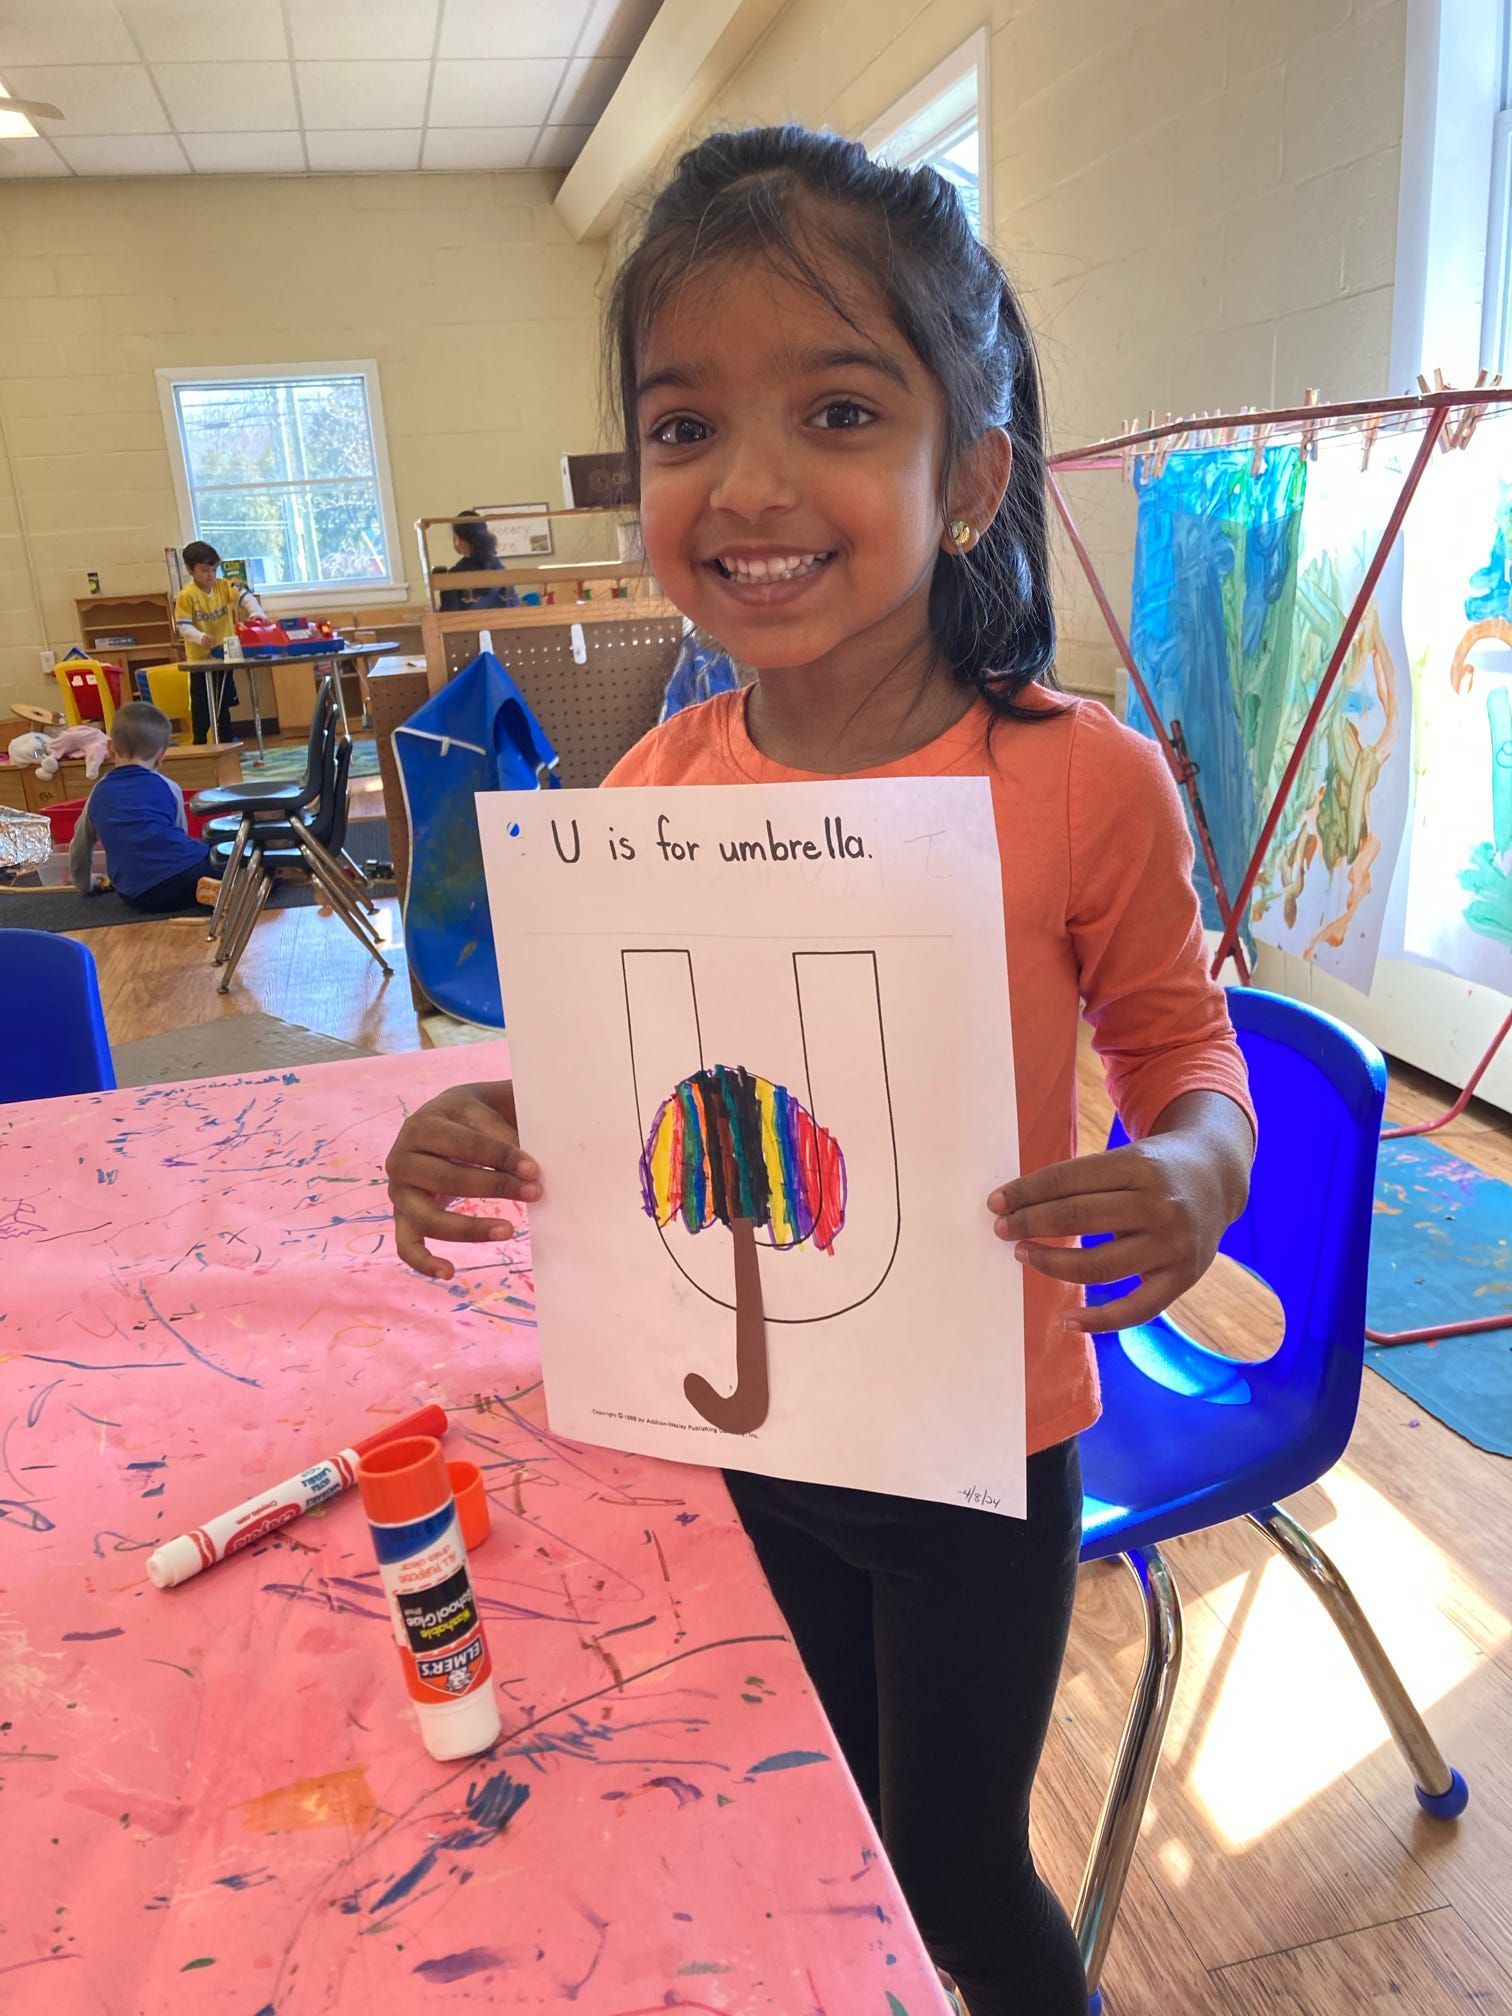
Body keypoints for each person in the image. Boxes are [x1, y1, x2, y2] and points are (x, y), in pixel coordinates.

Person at [383, 128, 1256, 2016]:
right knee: (806, 1817)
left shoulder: (1076, 780)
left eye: (841, 409)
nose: (749, 482)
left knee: (943, 1867)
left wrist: (1190, 1170)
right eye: (684, 427)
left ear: (971, 478)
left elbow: (1187, 1056)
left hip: (971, 1449)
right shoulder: (657, 783)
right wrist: (492, 1124)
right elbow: (623, 1087)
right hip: (734, 1426)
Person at [68, 701, 222, 913]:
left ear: (111, 748)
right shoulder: (169, 787)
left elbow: (80, 846)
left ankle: (212, 891)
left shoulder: (97, 792)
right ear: (161, 757)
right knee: (230, 853)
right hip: (186, 875)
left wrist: (85, 883)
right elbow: (181, 837)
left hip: (137, 895)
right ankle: (233, 886)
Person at [173, 541, 267, 744]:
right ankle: (200, 742)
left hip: (225, 655)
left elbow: (246, 598)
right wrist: (201, 638)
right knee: (202, 706)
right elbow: (183, 627)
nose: (210, 575)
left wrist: (257, 613)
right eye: (204, 570)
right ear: (190, 569)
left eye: (214, 569)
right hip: (200, 662)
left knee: (223, 701)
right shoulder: (186, 596)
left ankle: (226, 738)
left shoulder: (223, 586)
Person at [438, 509, 512, 612]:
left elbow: (448, 617)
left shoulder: (453, 576)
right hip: (505, 624)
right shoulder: (499, 567)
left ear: (457, 540)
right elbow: (512, 603)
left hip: (468, 626)